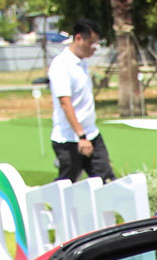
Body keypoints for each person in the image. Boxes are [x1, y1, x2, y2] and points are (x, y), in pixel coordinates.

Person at [48, 18, 115, 184]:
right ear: (79, 38)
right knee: (67, 183)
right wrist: (81, 136)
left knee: (106, 180)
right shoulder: (61, 65)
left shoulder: (82, 64)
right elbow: (65, 102)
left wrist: (87, 135)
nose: (94, 48)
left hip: (91, 133)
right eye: (91, 43)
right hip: (69, 138)